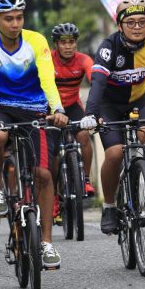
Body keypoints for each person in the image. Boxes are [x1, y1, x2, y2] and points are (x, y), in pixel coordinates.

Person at [0, 0, 67, 270]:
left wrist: (58, 108)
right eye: (8, 19)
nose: (15, 24)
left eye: (19, 18)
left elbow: (48, 80)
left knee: (43, 173)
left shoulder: (37, 41)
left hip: (33, 106)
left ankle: (47, 243)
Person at [79, 0, 145, 235]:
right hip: (109, 104)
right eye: (131, 22)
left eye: (142, 22)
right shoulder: (108, 47)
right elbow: (98, 84)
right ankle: (110, 207)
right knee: (114, 154)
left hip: (139, 100)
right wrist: (91, 114)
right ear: (119, 26)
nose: (137, 27)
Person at [50, 22, 95, 198]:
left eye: (71, 42)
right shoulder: (48, 60)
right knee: (52, 150)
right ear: (56, 44)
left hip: (73, 106)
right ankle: (52, 193)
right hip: (52, 108)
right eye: (63, 42)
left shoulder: (84, 60)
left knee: (84, 135)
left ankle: (86, 179)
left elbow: (95, 81)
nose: (68, 46)